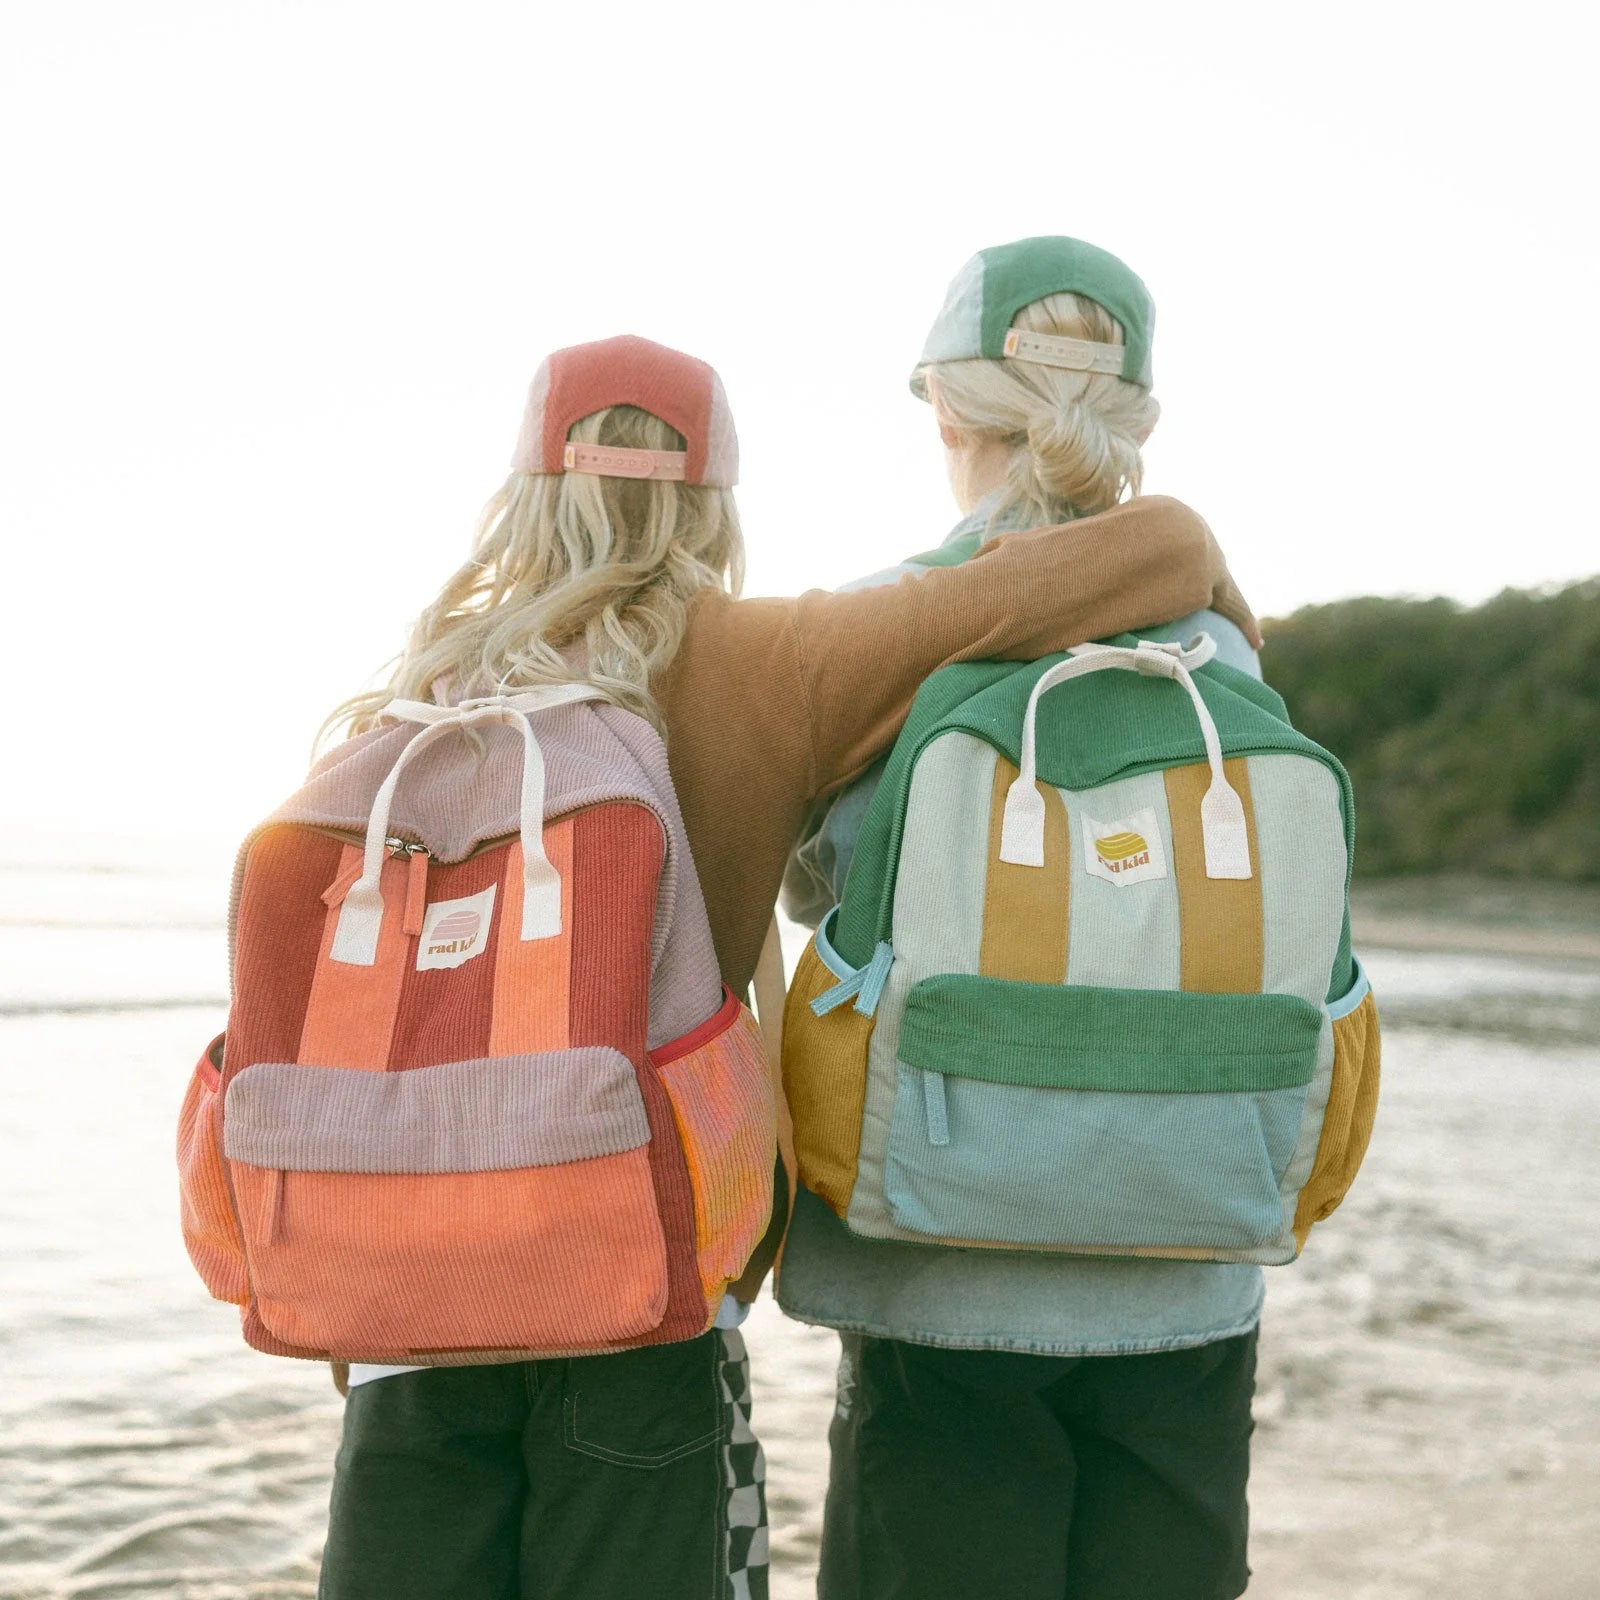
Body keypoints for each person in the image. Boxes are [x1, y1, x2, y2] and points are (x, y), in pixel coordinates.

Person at [301, 330, 1256, 1599]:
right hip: (642, 1296)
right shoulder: (757, 659)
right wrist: (1201, 562)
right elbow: (1144, 555)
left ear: (524, 487)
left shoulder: (412, 693)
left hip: (405, 1309)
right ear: (715, 499)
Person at [779, 237, 1266, 1600]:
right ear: (1139, 417)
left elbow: (817, 892)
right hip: (1188, 1236)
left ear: (945, 403)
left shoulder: (881, 625)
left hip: (941, 1254)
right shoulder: (1224, 641)